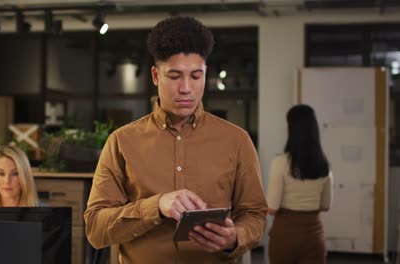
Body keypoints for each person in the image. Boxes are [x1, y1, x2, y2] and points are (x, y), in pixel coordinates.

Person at [84, 16, 267, 263]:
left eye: (195, 76)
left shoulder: (237, 140)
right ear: (155, 76)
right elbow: (95, 228)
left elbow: (254, 214)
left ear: (205, 74)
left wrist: (236, 237)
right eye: (174, 76)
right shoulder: (122, 141)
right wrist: (156, 206)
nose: (186, 88)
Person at [266, 104, 333, 264]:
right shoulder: (324, 165)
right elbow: (325, 205)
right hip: (314, 236)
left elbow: (272, 208)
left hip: (285, 236)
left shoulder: (280, 163)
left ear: (291, 130)